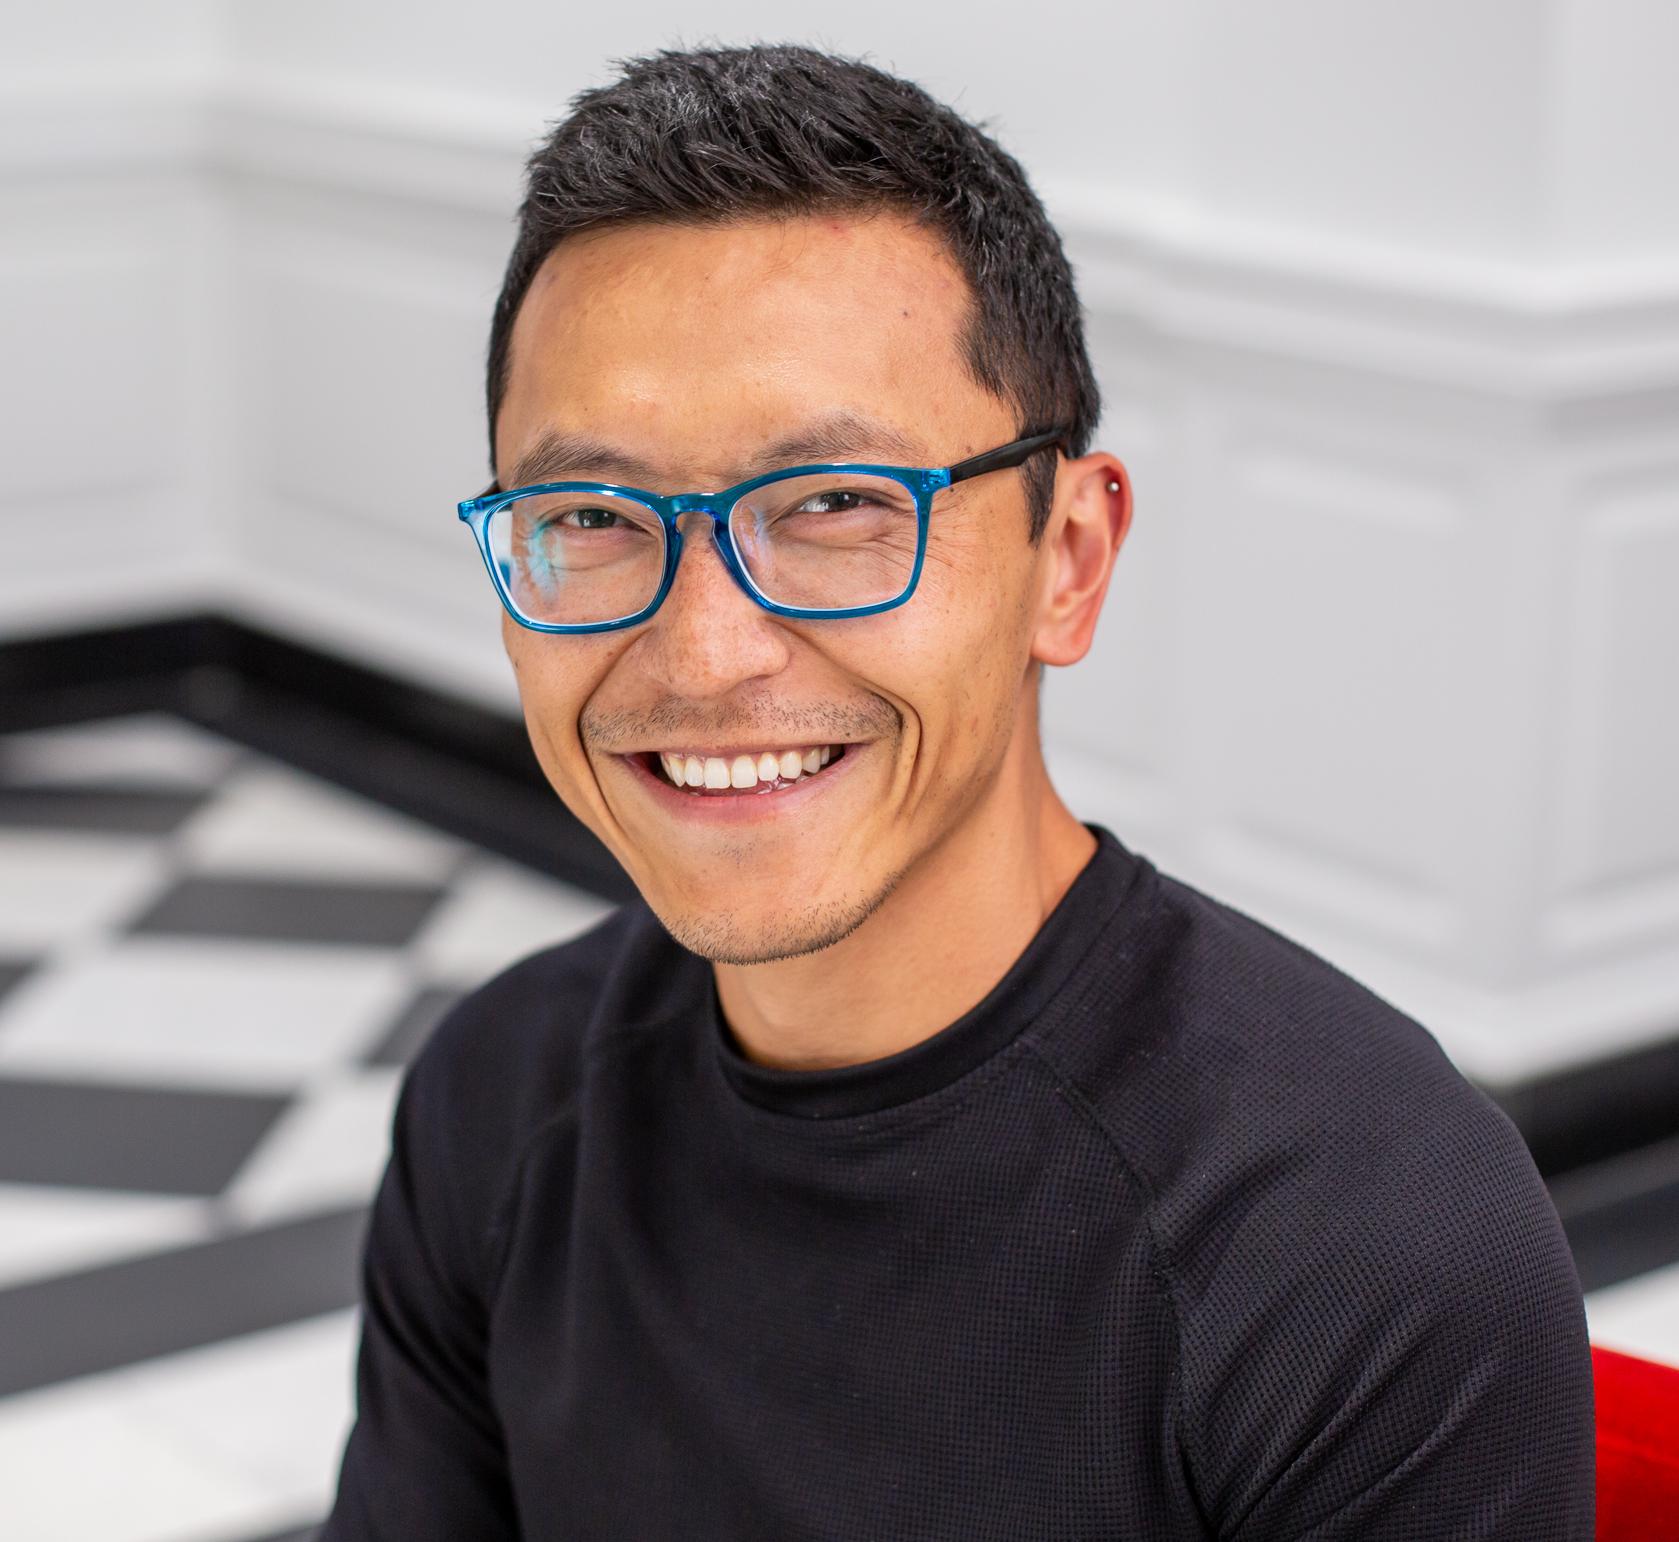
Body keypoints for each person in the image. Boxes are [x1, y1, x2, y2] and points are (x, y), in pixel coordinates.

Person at [320, 43, 1594, 1540]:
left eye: (840, 507)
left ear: (1069, 559)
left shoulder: (1363, 1244)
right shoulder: (495, 1104)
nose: (705, 650)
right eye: (590, 515)